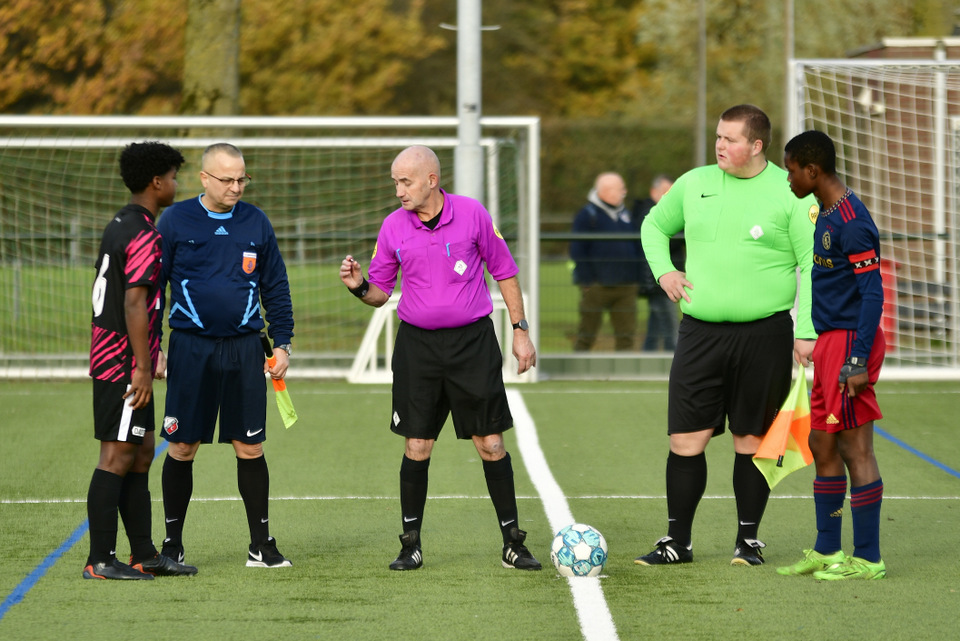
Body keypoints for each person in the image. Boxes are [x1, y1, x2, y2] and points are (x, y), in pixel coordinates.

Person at [339, 145, 541, 572]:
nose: (398, 190)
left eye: (405, 181)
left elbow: (504, 272)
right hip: (418, 349)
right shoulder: (392, 226)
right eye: (395, 182)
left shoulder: (472, 214)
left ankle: (512, 543)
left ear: (432, 180)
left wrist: (520, 331)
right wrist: (358, 286)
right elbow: (380, 294)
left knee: (491, 443)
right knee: (417, 445)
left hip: (473, 345)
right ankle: (410, 545)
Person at [635, 104, 818, 567]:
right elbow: (654, 226)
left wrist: (806, 330)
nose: (719, 145)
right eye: (718, 136)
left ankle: (748, 541)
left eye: (729, 139)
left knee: (751, 441)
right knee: (685, 440)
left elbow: (812, 264)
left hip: (765, 336)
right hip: (699, 334)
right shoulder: (693, 183)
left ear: (756, 145)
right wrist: (664, 271)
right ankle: (678, 542)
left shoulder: (792, 192)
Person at [157, 142, 295, 569]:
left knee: (250, 447)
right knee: (182, 446)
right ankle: (172, 545)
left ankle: (261, 545)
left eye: (242, 179)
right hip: (190, 348)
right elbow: (152, 289)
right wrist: (153, 347)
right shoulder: (174, 220)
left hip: (244, 349)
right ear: (204, 178)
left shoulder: (256, 221)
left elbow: (276, 286)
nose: (236, 187)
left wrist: (283, 343)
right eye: (228, 179)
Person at [84, 141, 197, 580]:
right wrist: (143, 367)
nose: (175, 184)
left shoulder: (121, 223)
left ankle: (144, 554)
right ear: (156, 182)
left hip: (119, 355)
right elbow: (134, 302)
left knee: (143, 451)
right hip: (123, 363)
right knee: (116, 456)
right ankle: (100, 560)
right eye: (172, 177)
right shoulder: (145, 233)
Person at [777, 130, 886, 580]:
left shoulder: (853, 222)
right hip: (828, 342)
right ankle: (827, 550)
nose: (788, 179)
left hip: (850, 343)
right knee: (821, 442)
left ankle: (868, 558)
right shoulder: (824, 210)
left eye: (791, 171)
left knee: (855, 448)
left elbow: (873, 294)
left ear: (812, 170)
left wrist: (857, 359)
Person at [570, 172, 641, 351]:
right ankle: (578, 366)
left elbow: (637, 244)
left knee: (626, 337)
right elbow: (577, 250)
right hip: (597, 286)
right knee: (587, 334)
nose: (624, 192)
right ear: (606, 191)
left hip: (626, 286)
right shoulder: (587, 215)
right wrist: (587, 281)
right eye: (620, 189)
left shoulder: (626, 214)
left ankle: (624, 369)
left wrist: (636, 276)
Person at [633, 174, 682, 351]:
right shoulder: (649, 214)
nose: (669, 196)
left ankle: (649, 354)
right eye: (665, 191)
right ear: (653, 191)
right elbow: (659, 242)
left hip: (660, 279)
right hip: (658, 280)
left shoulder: (666, 213)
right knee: (670, 327)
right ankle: (673, 357)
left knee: (655, 326)